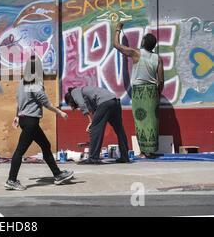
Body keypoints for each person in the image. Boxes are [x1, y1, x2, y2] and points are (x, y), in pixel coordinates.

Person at [5, 56, 74, 191]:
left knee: (45, 145)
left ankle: (57, 174)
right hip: (31, 121)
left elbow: (19, 102)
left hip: (25, 120)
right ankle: (11, 180)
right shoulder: (35, 84)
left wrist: (17, 116)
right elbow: (45, 103)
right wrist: (60, 112)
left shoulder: (21, 83)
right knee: (20, 151)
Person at [113, 23, 164, 158]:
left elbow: (116, 45)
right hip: (152, 91)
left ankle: (142, 151)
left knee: (140, 120)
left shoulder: (136, 53)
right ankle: (151, 151)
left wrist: (117, 29)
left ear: (143, 42)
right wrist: (157, 94)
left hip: (139, 92)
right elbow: (161, 80)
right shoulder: (158, 58)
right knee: (152, 121)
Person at [64, 86, 130, 164]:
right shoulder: (87, 93)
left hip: (105, 103)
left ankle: (93, 158)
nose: (73, 107)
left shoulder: (74, 92)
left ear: (70, 98)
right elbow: (96, 113)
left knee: (96, 130)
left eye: (71, 104)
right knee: (119, 130)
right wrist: (92, 123)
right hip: (115, 101)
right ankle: (125, 157)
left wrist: (90, 122)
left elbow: (82, 104)